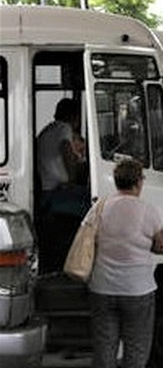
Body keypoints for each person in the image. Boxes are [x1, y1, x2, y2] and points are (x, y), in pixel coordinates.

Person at [88, 159, 163, 368]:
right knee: (136, 344)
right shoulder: (147, 210)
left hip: (102, 287)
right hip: (138, 289)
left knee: (105, 344)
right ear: (138, 181)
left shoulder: (100, 207)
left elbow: (87, 238)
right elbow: (162, 246)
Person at [37, 98, 90, 272]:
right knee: (92, 205)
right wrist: (72, 180)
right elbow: (67, 151)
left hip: (45, 189)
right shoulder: (63, 129)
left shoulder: (47, 130)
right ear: (74, 117)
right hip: (55, 192)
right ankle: (81, 257)